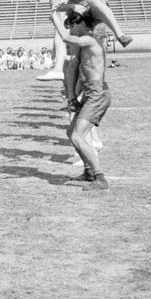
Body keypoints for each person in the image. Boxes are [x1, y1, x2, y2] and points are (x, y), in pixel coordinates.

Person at [51, 10, 112, 191]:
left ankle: (100, 177)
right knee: (72, 134)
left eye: (73, 26)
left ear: (82, 25)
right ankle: (89, 172)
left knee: (78, 136)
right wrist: (73, 98)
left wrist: (56, 18)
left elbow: (69, 40)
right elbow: (81, 73)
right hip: (90, 94)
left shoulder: (89, 39)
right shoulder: (85, 45)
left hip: (97, 94)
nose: (71, 31)